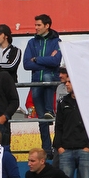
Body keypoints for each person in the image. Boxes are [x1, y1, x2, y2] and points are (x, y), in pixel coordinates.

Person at [53, 76, 89, 178]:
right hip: (66, 151)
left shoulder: (88, 102)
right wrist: (59, 147)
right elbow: (58, 126)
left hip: (84, 150)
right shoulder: (63, 102)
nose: (66, 84)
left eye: (69, 82)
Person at [22, 14, 62, 156]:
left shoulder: (57, 41)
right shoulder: (32, 42)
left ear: (47, 26)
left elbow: (56, 61)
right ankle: (47, 149)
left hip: (50, 81)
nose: (36, 27)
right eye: (35, 25)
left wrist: (37, 59)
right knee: (41, 120)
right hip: (36, 83)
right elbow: (26, 64)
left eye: (38, 25)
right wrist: (46, 61)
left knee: (46, 77)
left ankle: (57, 146)